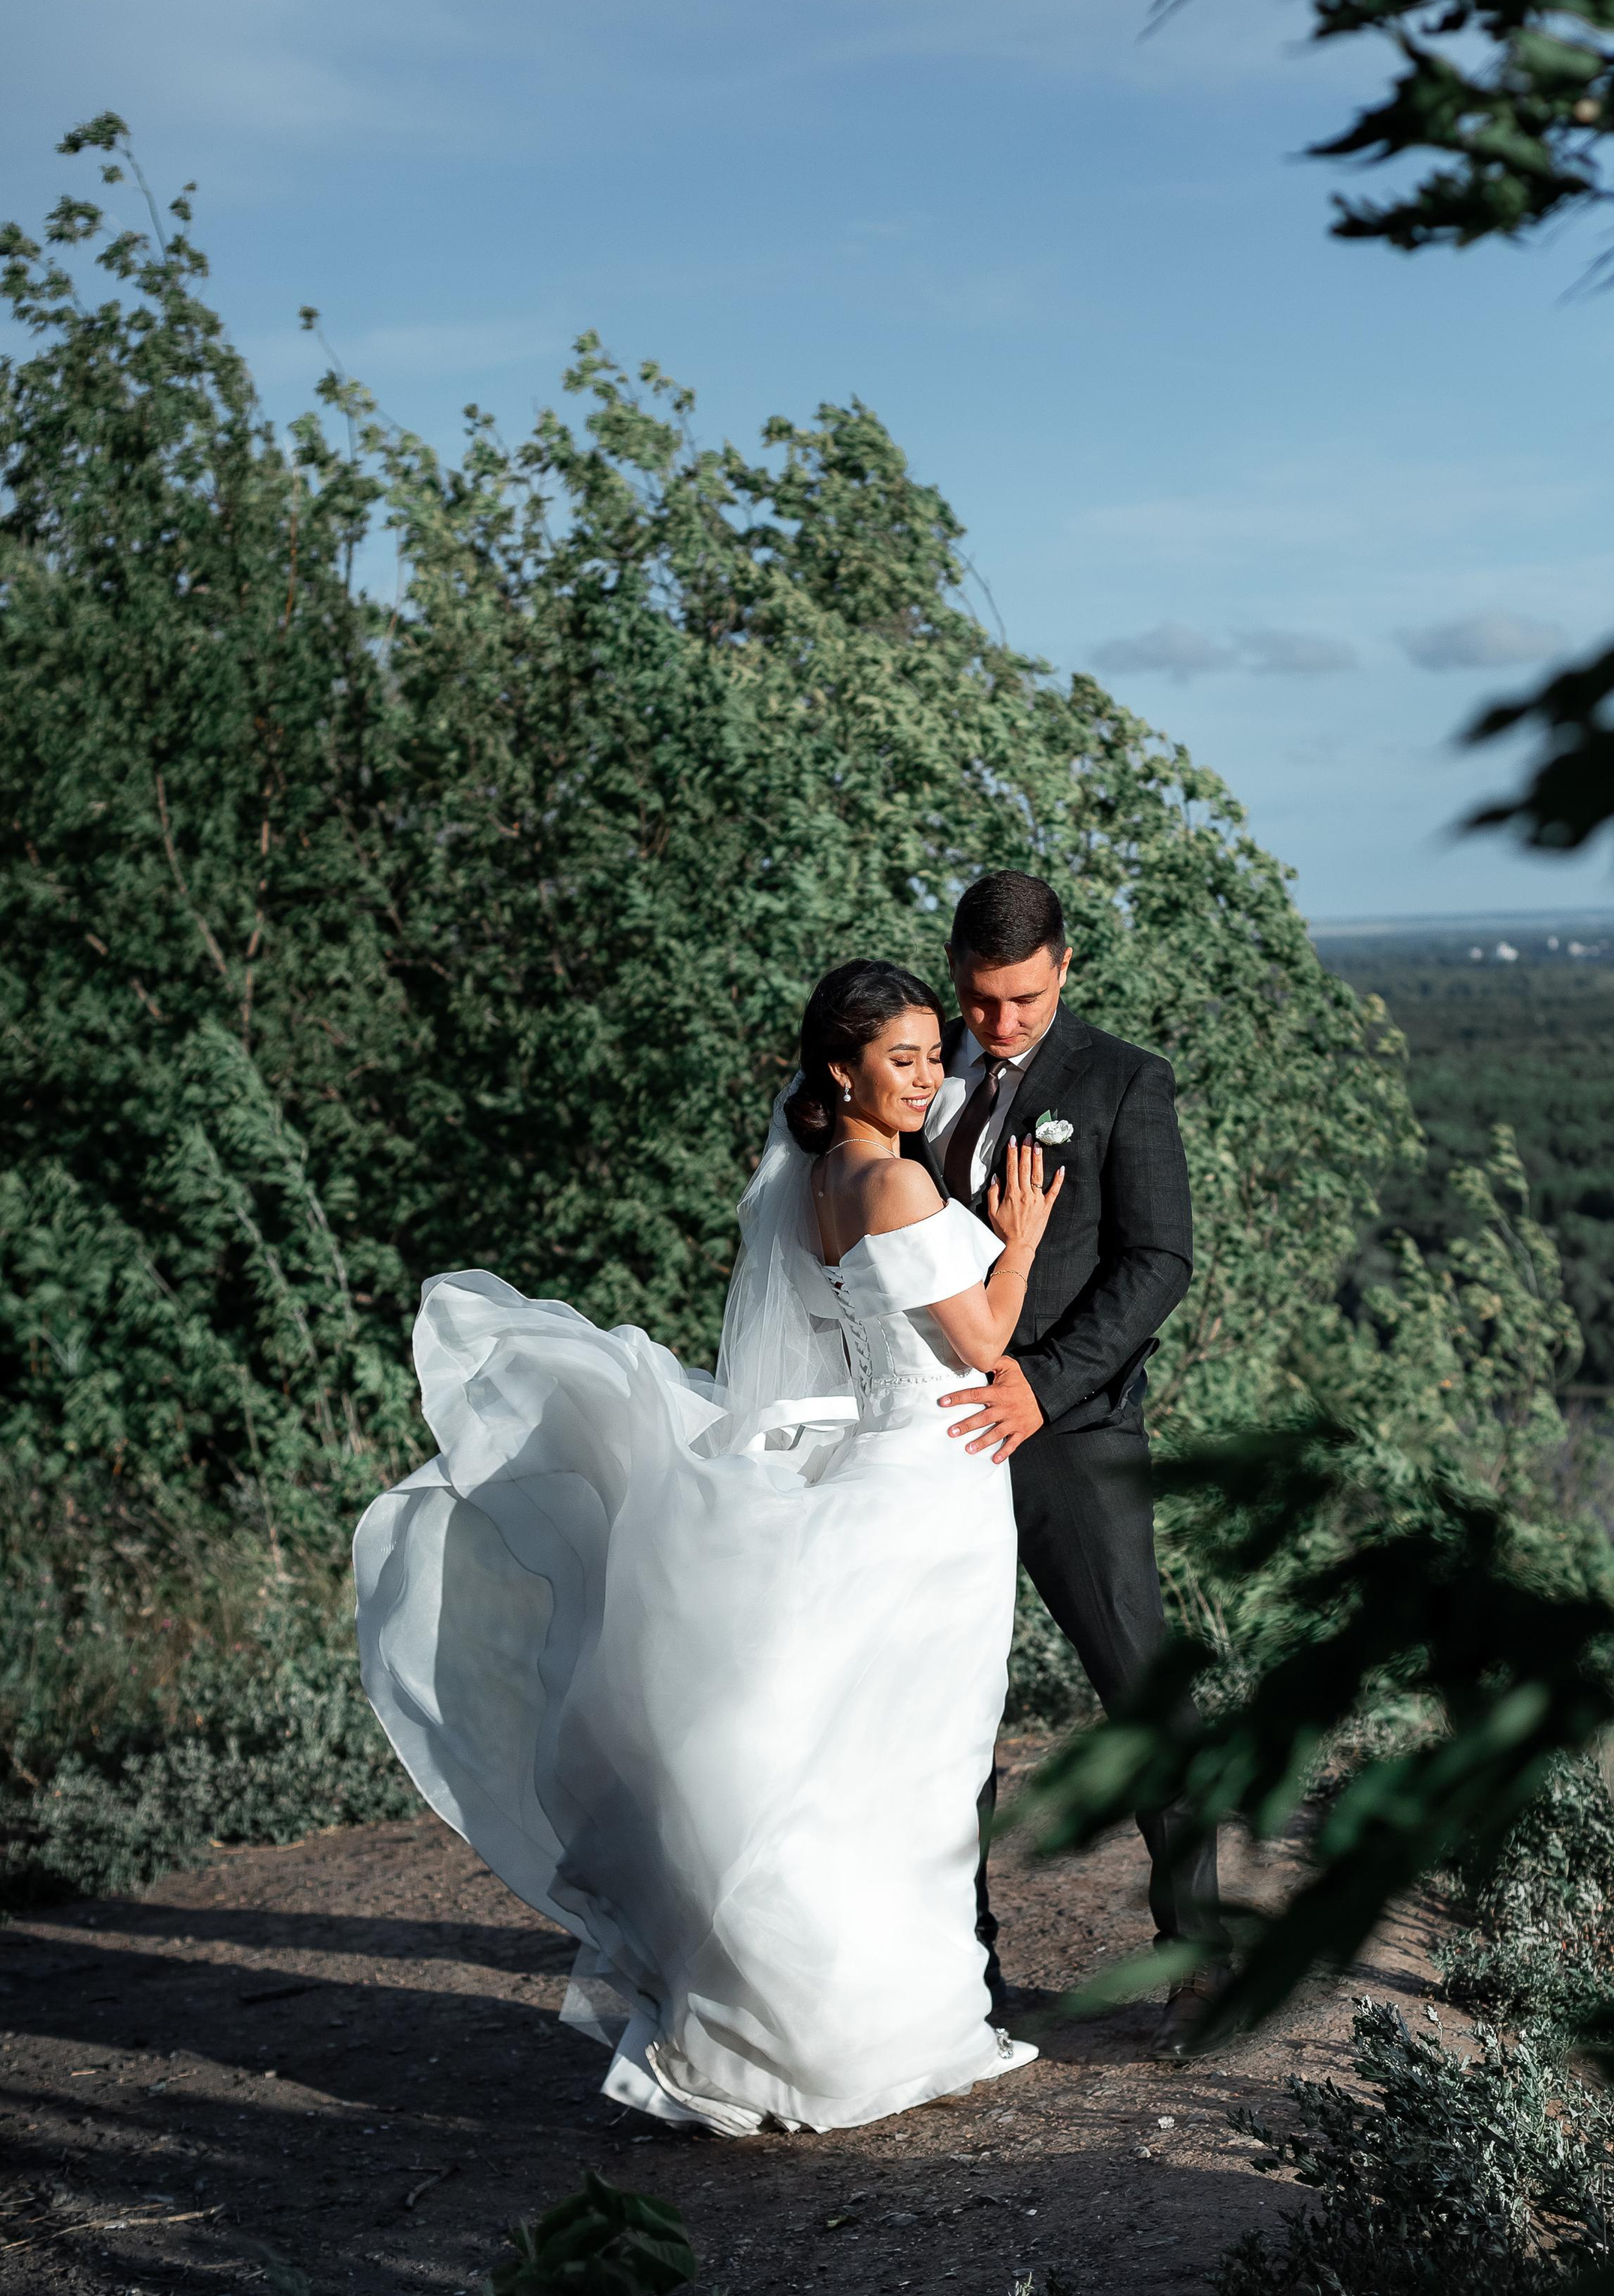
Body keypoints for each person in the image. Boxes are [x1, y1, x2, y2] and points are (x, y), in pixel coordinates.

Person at [354, 960, 1062, 2135]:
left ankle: (874, 2020)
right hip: (933, 1492)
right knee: (918, 1767)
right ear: (842, 1069)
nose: (931, 1076)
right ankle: (876, 2030)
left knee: (883, 1764)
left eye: (937, 1056)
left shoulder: (826, 1175)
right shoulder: (888, 1180)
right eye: (906, 1058)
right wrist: (1019, 1236)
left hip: (895, 1465)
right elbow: (986, 1337)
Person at [917, 872, 1224, 2041]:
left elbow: (1158, 1262)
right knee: (943, 1709)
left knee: (1140, 1686)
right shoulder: (913, 1064)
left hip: (1070, 1431)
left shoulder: (1124, 1082)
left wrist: (1040, 1386)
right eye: (984, 1002)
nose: (1002, 1026)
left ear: (1066, 964)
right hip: (928, 1440)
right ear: (956, 974)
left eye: (1027, 1001)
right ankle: (961, 1974)